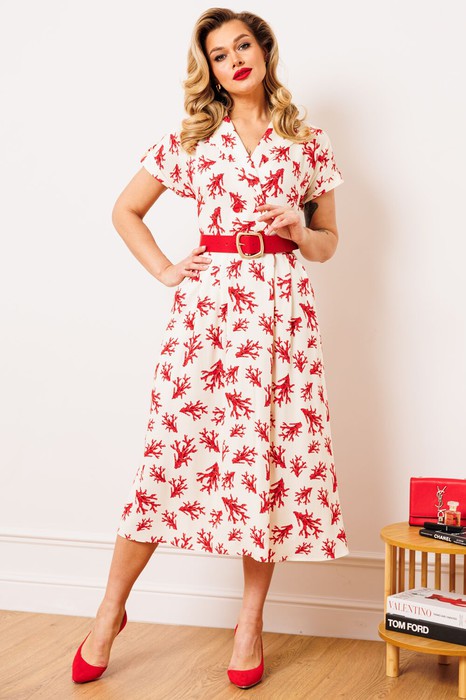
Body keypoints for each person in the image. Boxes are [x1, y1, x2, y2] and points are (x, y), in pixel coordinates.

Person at [71, 7, 349, 690]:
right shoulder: (191, 138)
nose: (235, 60)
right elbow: (125, 210)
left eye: (243, 45)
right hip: (210, 317)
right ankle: (109, 612)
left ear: (264, 50)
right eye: (220, 55)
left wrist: (299, 229)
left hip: (282, 317)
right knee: (169, 456)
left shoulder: (307, 140)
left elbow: (328, 244)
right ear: (211, 71)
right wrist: (167, 270)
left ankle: (249, 624)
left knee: (267, 464)